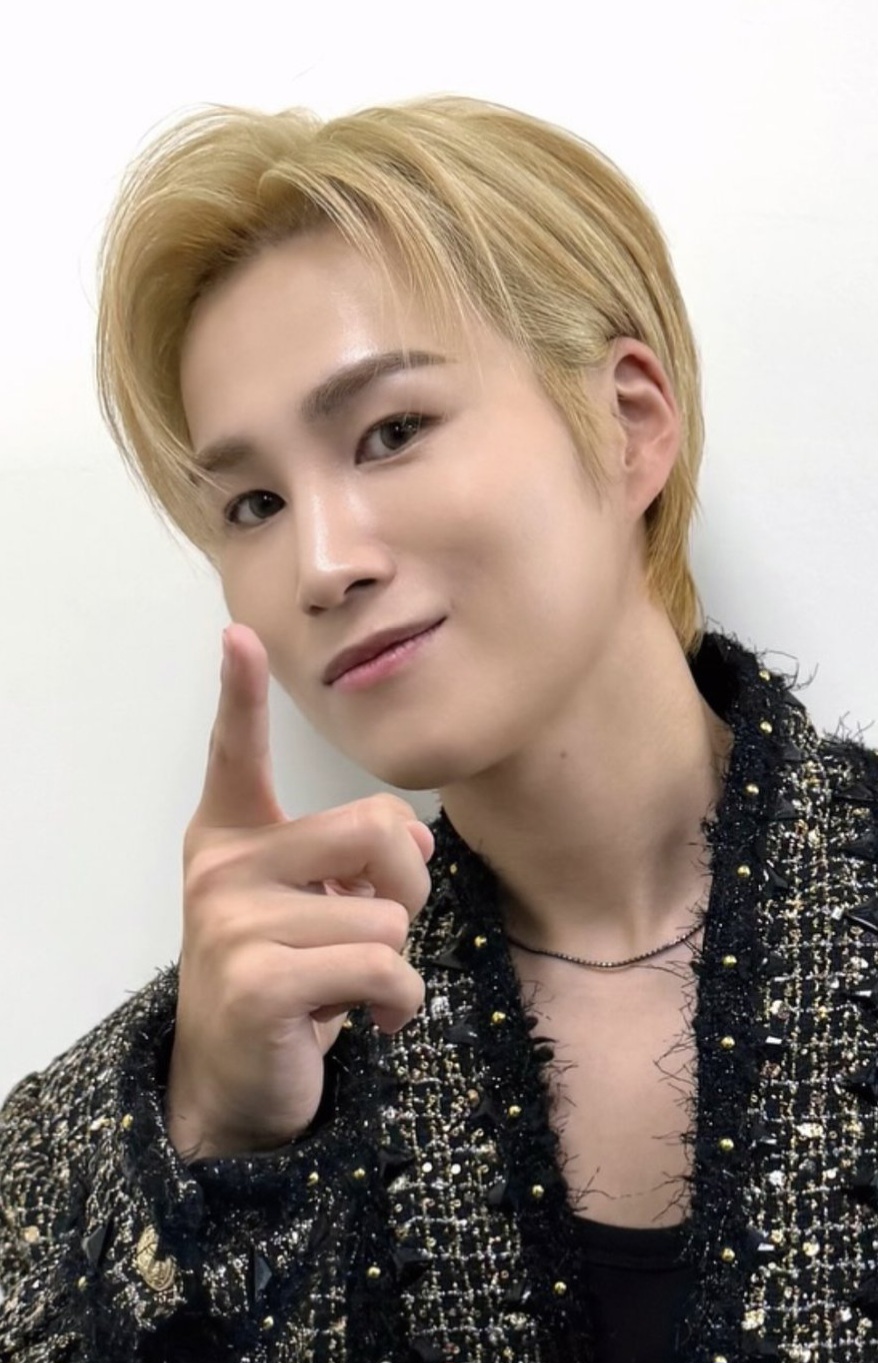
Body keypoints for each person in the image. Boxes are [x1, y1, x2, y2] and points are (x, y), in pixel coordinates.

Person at [1, 94, 876, 1363]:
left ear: (628, 422)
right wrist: (212, 1139)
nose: (319, 562)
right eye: (251, 505)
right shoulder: (239, 1059)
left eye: (392, 431)